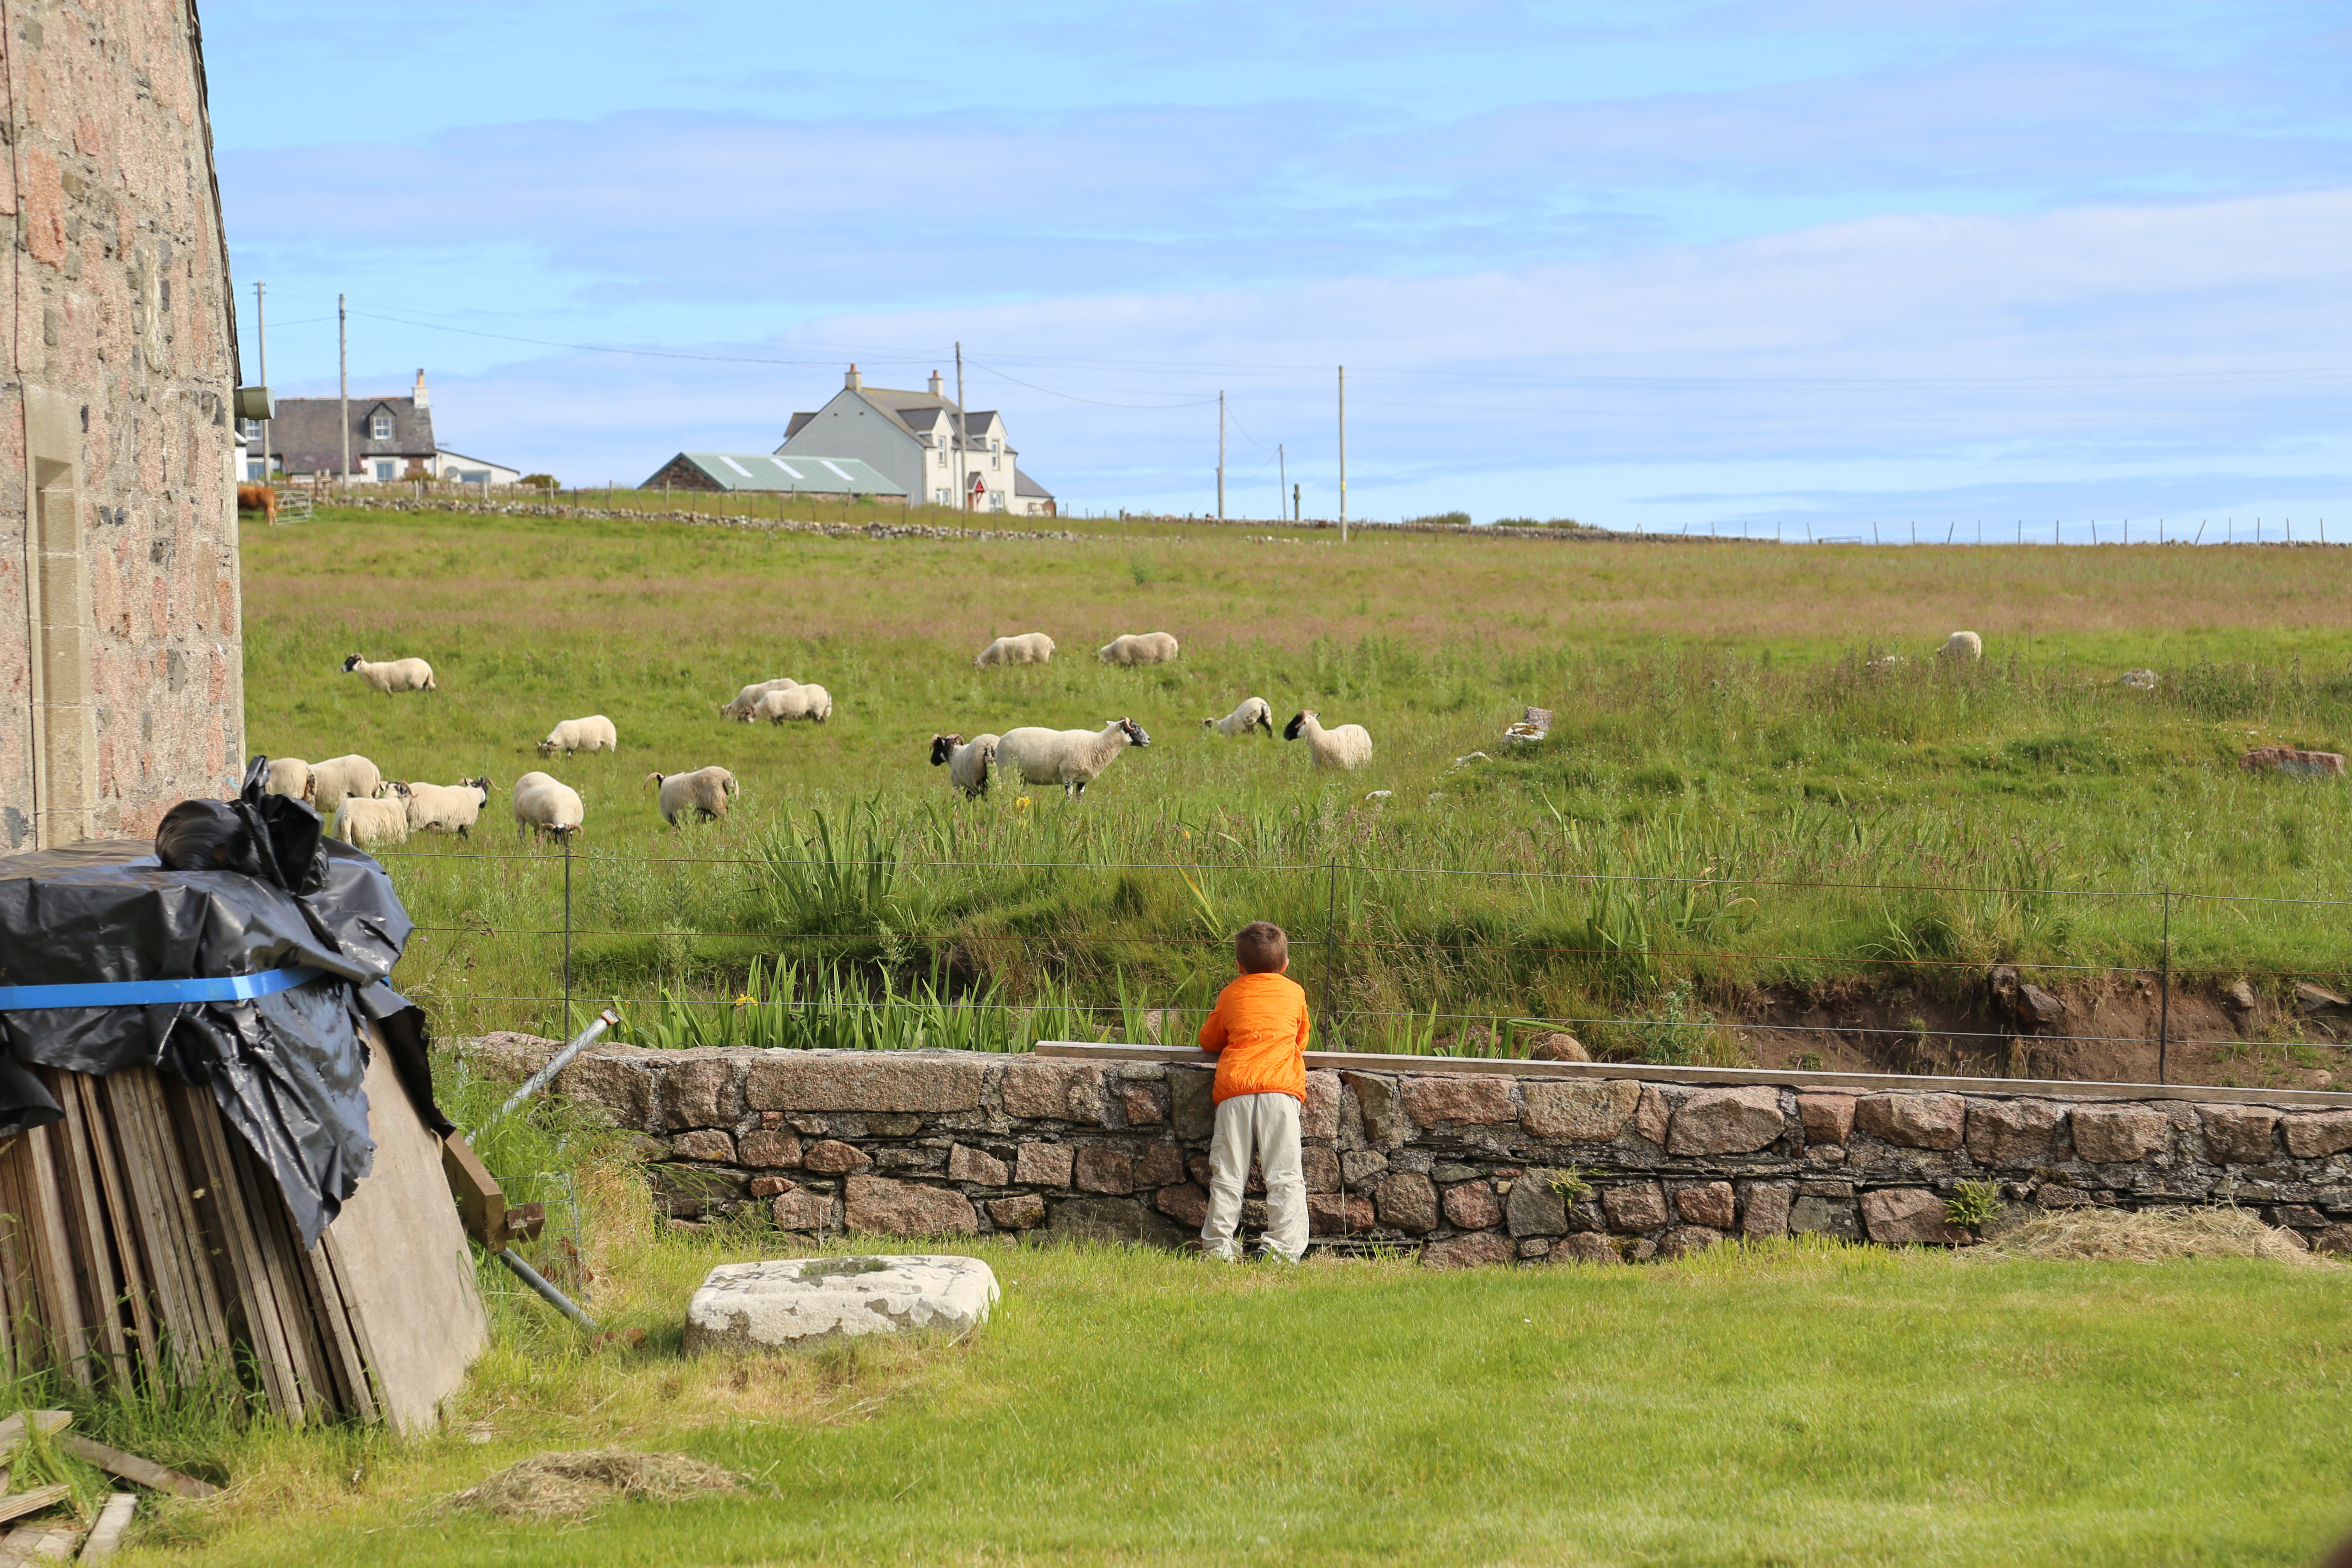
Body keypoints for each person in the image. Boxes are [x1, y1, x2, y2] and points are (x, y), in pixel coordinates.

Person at [1195, 920, 1311, 1262]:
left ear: (1239, 966)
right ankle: (1281, 1250)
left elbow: (1209, 1040)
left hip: (1235, 1094)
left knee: (1228, 1174)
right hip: (1281, 1092)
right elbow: (1301, 1039)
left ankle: (1218, 1248)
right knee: (1285, 1174)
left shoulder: (1231, 993)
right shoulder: (1296, 993)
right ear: (1285, 965)